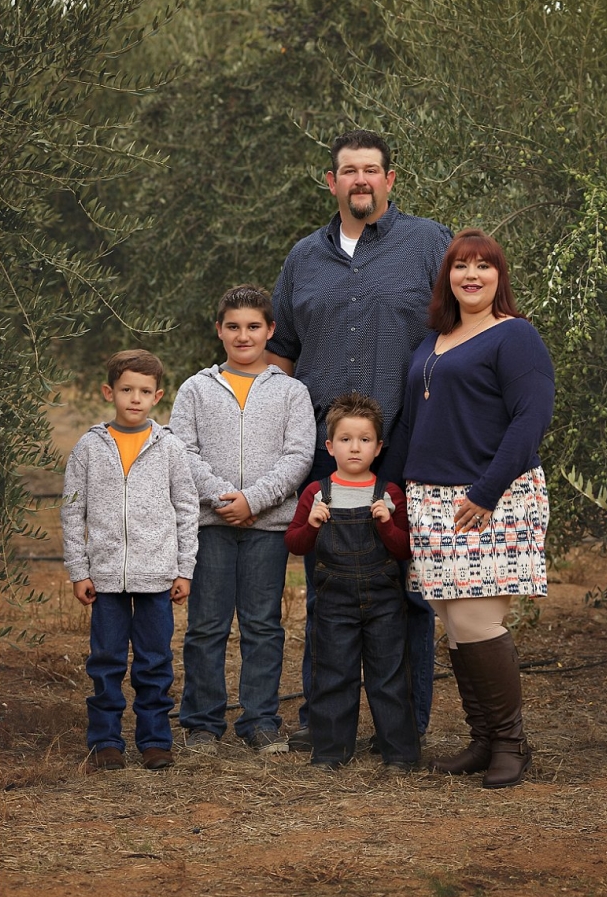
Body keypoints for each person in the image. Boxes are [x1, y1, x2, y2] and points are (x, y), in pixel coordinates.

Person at [266, 129, 452, 749]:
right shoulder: (303, 258)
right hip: (329, 452)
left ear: (390, 180)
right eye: (349, 171)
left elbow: (461, 332)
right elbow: (282, 353)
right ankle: (326, 723)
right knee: (329, 583)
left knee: (410, 588)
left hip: (408, 443)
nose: (361, 180)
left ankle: (406, 727)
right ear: (332, 182)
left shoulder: (429, 244)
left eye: (372, 169)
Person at [386, 228, 554, 789]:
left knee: (479, 619)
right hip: (431, 498)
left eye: (484, 266)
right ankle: (484, 740)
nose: (472, 275)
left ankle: (512, 744)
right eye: (462, 266)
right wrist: (391, 489)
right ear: (448, 278)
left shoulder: (516, 336)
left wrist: (484, 493)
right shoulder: (434, 341)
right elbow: (411, 425)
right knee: (454, 623)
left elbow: (530, 421)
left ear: (499, 277)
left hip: (492, 496)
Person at [169, 284, 315, 753]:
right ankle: (202, 725)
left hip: (268, 528)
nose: (243, 335)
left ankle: (260, 721)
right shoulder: (195, 389)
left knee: (262, 625)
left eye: (254, 326)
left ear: (270, 331)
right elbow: (182, 452)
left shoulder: (292, 392)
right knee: (206, 626)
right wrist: (221, 497)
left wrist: (254, 500)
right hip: (211, 527)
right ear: (219, 330)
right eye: (233, 326)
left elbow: (299, 457)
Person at [61, 349, 200, 771]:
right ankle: (105, 741)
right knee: (105, 660)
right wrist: (78, 570)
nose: (134, 399)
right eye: (126, 390)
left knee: (155, 660)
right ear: (110, 392)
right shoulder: (89, 446)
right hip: (104, 578)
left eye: (144, 391)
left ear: (158, 396)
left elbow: (188, 508)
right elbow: (72, 510)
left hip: (157, 576)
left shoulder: (169, 447)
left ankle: (155, 740)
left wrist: (184, 569)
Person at [284, 393, 420, 770]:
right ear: (330, 446)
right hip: (334, 600)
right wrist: (310, 525)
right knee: (333, 675)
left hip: (384, 601)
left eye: (364, 440)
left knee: (389, 677)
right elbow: (294, 542)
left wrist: (387, 524)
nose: (354, 447)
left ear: (378, 447)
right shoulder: (317, 493)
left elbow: (403, 548)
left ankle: (400, 755)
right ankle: (330, 752)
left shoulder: (389, 493)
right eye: (345, 440)